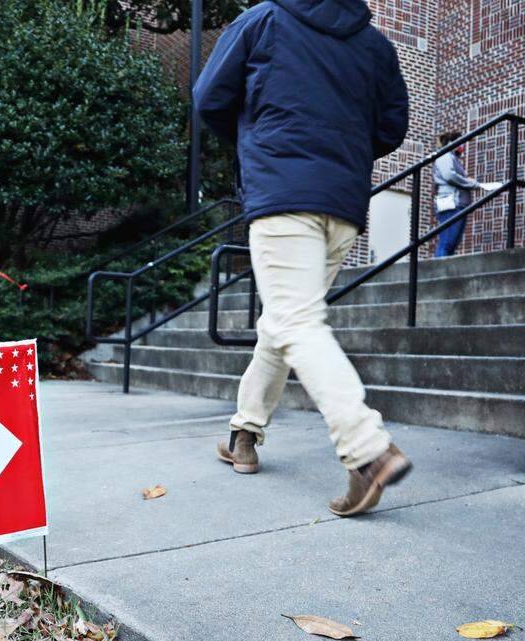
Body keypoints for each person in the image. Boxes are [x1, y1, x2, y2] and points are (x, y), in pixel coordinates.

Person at [194, 0, 411, 517]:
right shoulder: (375, 44)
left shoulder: (265, 19)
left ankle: (367, 448)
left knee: (295, 319)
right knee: (283, 322)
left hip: (283, 191)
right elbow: (392, 127)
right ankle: (243, 434)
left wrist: (259, 139)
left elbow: (209, 97)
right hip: (342, 203)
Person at [432, 132, 480, 257]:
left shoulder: (453, 158)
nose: (463, 146)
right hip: (451, 204)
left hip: (459, 204)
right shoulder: (445, 156)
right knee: (447, 242)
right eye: (462, 142)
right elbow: (449, 176)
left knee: (452, 243)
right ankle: (438, 271)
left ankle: (443, 270)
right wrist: (470, 183)